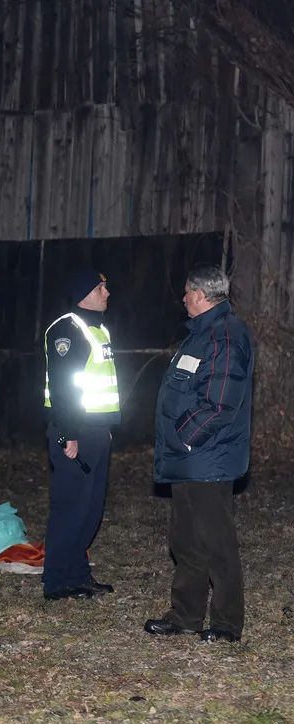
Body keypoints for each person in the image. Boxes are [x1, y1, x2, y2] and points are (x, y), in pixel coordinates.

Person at [145, 265, 253, 643]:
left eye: (188, 291)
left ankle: (226, 623)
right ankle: (185, 615)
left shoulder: (224, 335)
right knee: (186, 540)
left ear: (202, 294)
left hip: (207, 458)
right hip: (189, 458)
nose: (183, 298)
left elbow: (220, 404)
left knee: (217, 542)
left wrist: (185, 437)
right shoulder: (201, 334)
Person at [41, 269, 121, 600]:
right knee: (70, 506)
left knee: (90, 509)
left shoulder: (98, 330)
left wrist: (104, 428)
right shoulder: (67, 329)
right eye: (100, 287)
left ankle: (77, 574)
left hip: (95, 431)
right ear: (83, 294)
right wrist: (70, 433)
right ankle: (57, 581)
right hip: (74, 433)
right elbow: (63, 386)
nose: (107, 292)